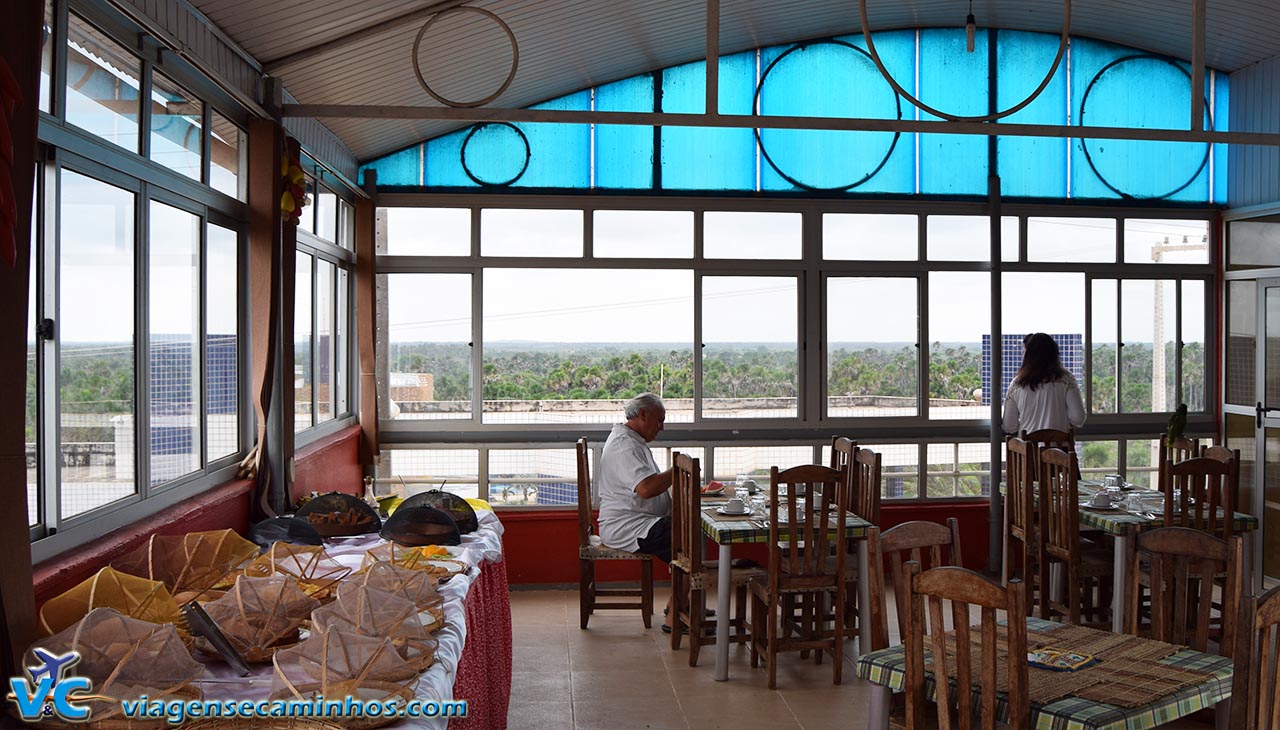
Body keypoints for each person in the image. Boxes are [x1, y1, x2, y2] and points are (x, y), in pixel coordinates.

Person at [596, 392, 677, 630]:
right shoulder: (624, 445)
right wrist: (679, 469)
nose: (661, 427)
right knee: (685, 537)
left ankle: (685, 601)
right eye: (659, 420)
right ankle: (677, 612)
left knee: (687, 529)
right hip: (628, 525)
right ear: (642, 415)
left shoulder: (633, 440)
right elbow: (646, 488)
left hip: (641, 520)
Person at [1002, 332, 1086, 435]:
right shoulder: (1066, 379)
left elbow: (1009, 426)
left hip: (1028, 449)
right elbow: (1078, 418)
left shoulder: (1017, 384)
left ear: (1028, 355)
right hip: (1059, 448)